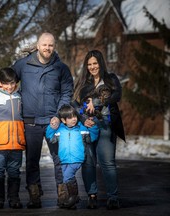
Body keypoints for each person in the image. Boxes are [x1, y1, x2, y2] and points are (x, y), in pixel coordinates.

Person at [12, 32, 74, 208]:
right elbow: (6, 81)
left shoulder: (61, 68)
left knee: (59, 158)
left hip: (53, 122)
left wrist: (59, 115)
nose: (48, 48)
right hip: (30, 121)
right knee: (32, 160)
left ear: (54, 47)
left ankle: (63, 195)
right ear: (38, 45)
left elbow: (67, 92)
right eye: (44, 45)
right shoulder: (23, 65)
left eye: (51, 45)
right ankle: (34, 195)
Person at [72, 50, 125, 210]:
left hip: (106, 125)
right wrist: (82, 119)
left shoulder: (110, 79)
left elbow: (117, 95)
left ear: (101, 63)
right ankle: (92, 195)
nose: (92, 67)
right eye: (89, 64)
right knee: (88, 162)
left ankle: (113, 197)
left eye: (95, 63)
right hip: (88, 125)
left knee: (107, 163)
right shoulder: (82, 82)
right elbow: (74, 103)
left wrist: (97, 102)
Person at [46, 104, 99, 209]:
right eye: (70, 118)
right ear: (63, 120)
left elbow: (92, 137)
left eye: (74, 116)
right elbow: (50, 137)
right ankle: (73, 200)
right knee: (66, 178)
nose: (73, 119)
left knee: (67, 176)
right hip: (64, 159)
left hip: (76, 159)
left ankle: (73, 197)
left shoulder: (81, 128)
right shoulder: (60, 130)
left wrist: (93, 127)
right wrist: (51, 127)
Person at [0, 67, 26, 209]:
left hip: (17, 143)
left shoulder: (19, 97)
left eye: (12, 83)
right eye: (6, 83)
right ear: (0, 82)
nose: (10, 86)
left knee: (14, 172)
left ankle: (14, 198)